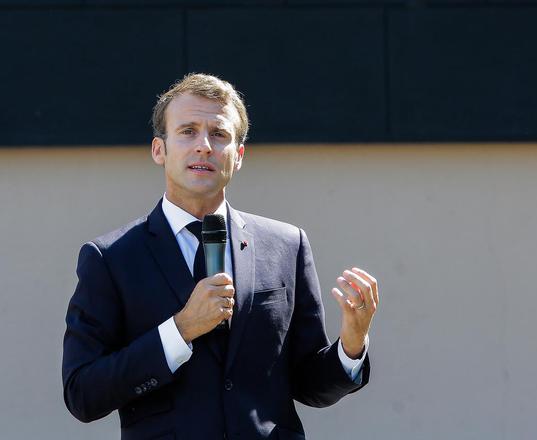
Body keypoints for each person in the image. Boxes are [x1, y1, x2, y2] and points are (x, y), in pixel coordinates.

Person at [62, 73, 379, 440]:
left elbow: (309, 384)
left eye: (219, 134)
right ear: (159, 150)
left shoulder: (286, 245)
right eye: (188, 131)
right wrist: (181, 330)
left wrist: (351, 345)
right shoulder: (111, 258)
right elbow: (82, 394)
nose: (204, 146)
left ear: (238, 156)